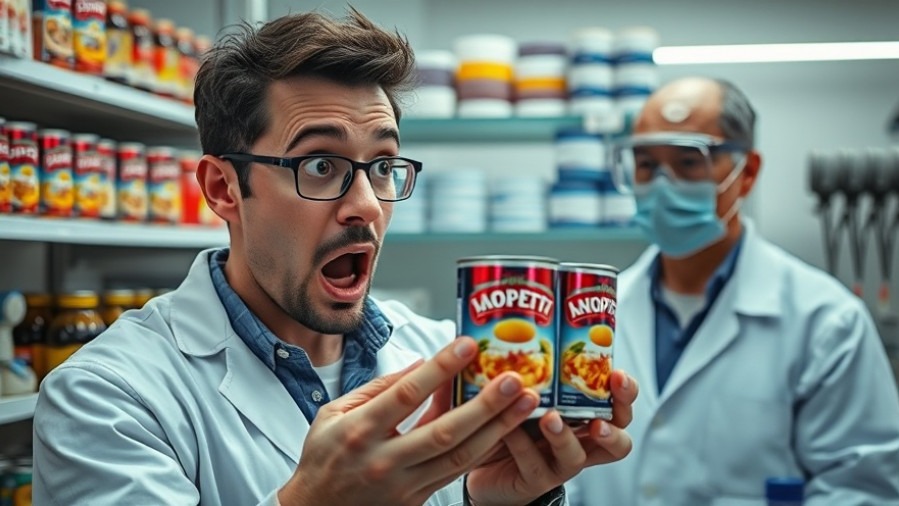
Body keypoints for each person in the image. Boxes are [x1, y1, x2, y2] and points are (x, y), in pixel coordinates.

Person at [31, 9, 639, 506]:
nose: (368, 205)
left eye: (383, 165)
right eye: (321, 165)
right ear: (224, 189)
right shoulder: (107, 397)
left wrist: (495, 503)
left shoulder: (442, 354)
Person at [570, 76, 899, 505]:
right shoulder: (592, 317)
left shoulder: (828, 322)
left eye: (689, 161)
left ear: (748, 173)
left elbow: (862, 489)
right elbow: (569, 474)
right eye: (647, 164)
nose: (663, 186)